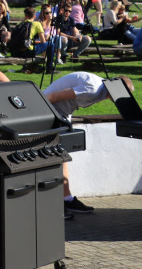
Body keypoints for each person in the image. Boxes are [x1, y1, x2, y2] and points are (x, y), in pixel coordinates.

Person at [43, 73, 134, 218]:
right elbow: (50, 98)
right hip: (49, 111)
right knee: (55, 156)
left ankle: (67, 199)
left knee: (63, 155)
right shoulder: (93, 88)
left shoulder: (101, 90)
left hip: (61, 113)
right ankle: (53, 205)